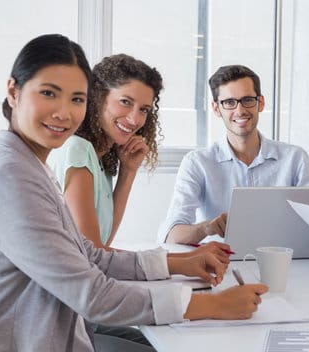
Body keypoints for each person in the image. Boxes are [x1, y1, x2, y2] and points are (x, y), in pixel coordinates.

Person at [0, 34, 268, 352]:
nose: (63, 112)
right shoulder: (12, 180)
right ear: (14, 91)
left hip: (61, 337)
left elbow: (92, 256)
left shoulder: (31, 168)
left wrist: (178, 265)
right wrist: (213, 305)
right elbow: (91, 292)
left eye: (76, 99)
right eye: (49, 93)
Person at [47, 54, 230, 260]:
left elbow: (104, 242)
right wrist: (184, 260)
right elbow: (92, 254)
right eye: (125, 102)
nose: (135, 119)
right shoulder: (77, 149)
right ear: (98, 97)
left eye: (144, 109)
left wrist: (128, 171)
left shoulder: (99, 161)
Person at [158, 64, 309, 245]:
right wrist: (207, 228)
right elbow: (170, 237)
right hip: (220, 266)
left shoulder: (295, 159)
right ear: (216, 108)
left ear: (260, 103)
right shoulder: (197, 163)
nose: (240, 110)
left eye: (247, 100)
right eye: (229, 102)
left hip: (283, 263)